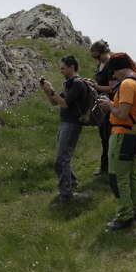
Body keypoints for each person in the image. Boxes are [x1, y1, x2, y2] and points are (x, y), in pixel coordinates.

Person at [97, 53, 136, 230]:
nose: (113, 77)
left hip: (121, 134)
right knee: (131, 175)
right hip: (133, 134)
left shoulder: (126, 84)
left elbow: (122, 114)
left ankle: (125, 217)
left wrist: (109, 106)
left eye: (113, 73)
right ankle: (134, 211)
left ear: (117, 69)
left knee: (117, 177)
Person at [40, 55, 88, 203]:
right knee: (63, 157)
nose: (60, 71)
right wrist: (47, 91)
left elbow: (65, 104)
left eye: (63, 68)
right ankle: (71, 184)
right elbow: (56, 103)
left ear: (71, 67)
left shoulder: (78, 84)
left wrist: (52, 91)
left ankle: (66, 195)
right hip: (65, 123)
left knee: (61, 160)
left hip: (72, 124)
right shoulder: (70, 83)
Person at [82, 40, 116, 176]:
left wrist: (95, 87)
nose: (96, 59)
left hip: (110, 105)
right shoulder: (101, 64)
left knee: (108, 135)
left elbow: (113, 88)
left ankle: (109, 168)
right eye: (93, 57)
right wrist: (93, 83)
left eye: (97, 56)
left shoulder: (110, 65)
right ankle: (105, 167)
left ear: (105, 52)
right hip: (103, 105)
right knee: (103, 135)